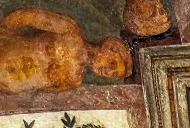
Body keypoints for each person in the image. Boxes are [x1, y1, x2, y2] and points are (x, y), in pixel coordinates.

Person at [0, 9, 131, 94]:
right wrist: (3, 32)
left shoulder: (73, 81)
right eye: (112, 64)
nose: (107, 71)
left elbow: (37, 93)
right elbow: (29, 16)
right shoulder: (70, 31)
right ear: (110, 48)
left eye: (113, 74)